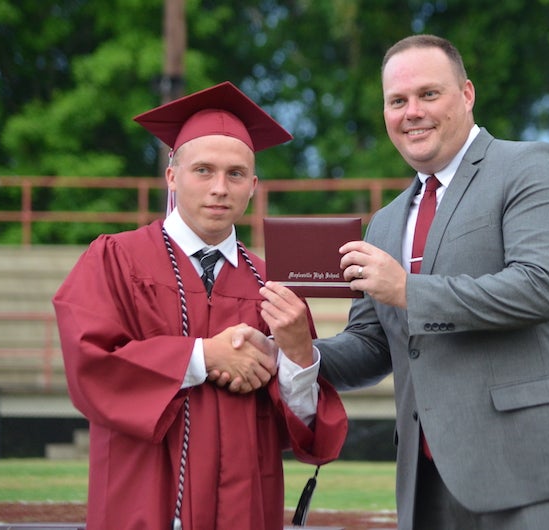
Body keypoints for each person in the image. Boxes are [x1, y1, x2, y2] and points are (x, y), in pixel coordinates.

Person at [314, 34, 549, 529]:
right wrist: (294, 354)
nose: (412, 111)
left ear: (467, 94)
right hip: (429, 479)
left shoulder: (530, 168)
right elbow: (373, 347)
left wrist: (407, 289)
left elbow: (538, 287)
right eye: (397, 100)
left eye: (429, 94)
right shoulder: (386, 222)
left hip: (536, 471)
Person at [52, 81, 347, 530]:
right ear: (172, 176)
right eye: (203, 170)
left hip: (244, 508)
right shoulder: (115, 259)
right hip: (142, 502)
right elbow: (91, 364)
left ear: (253, 185)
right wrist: (203, 356)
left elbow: (307, 430)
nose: (219, 188)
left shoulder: (274, 285)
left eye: (235, 174)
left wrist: (297, 358)